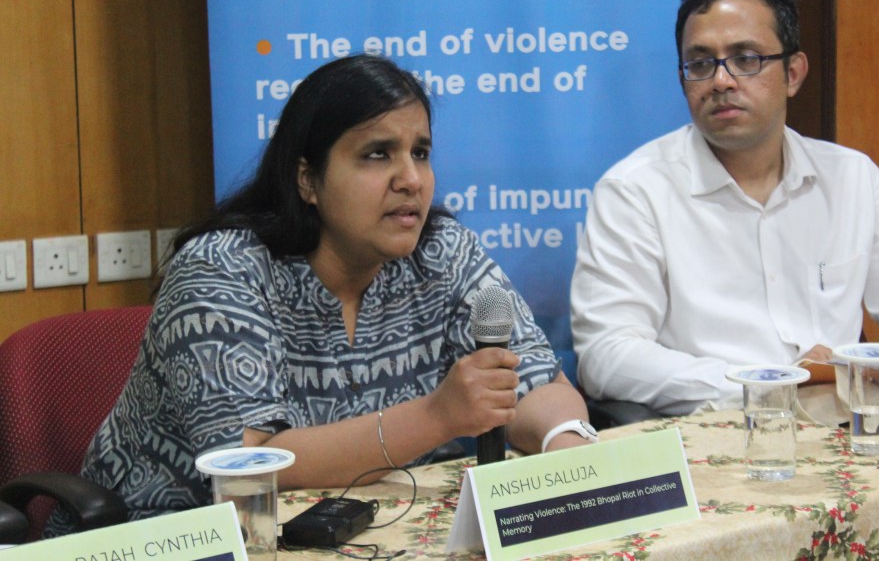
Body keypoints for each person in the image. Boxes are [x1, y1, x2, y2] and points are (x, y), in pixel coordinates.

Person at [62, 54, 593, 526]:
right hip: (168, 537)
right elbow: (248, 464)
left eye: (421, 152)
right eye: (378, 154)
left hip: (352, 531)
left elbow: (537, 381)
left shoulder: (442, 252)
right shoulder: (222, 269)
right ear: (307, 180)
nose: (411, 179)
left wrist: (566, 449)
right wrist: (437, 416)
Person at [571, 0, 879, 426]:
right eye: (701, 64)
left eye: (746, 59)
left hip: (855, 431)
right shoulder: (635, 191)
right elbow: (607, 355)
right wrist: (771, 383)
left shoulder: (853, 179)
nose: (721, 81)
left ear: (793, 73)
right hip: (718, 434)